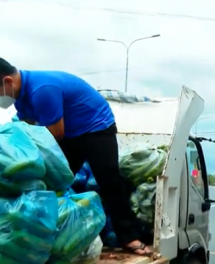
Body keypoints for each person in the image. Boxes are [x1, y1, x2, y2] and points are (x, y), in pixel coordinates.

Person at [0, 57, 153, 256]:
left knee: (109, 181)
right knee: (53, 181)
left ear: (8, 82)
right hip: (70, 133)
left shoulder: (41, 90)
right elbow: (27, 131)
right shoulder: (21, 98)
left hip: (96, 127)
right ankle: (48, 234)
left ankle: (130, 237)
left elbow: (54, 135)